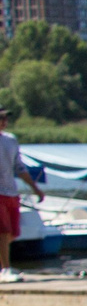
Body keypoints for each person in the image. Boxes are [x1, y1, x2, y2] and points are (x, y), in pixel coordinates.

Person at [0, 108, 34, 263]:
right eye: (1, 117)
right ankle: (5, 269)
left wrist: (36, 188)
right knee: (3, 232)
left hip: (11, 192)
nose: (4, 121)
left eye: (5, 117)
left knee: (12, 233)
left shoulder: (11, 140)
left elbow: (19, 167)